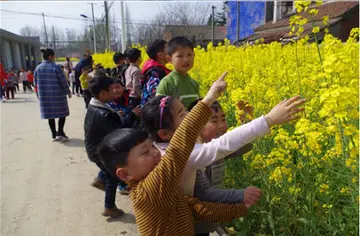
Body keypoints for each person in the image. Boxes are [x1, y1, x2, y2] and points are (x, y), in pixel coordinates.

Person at [97, 74, 253, 235]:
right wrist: (208, 99)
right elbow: (177, 151)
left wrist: (240, 208)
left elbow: (196, 208)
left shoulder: (168, 187)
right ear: (124, 174)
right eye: (145, 152)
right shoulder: (146, 193)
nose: (157, 153)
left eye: (152, 147)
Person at [84, 74, 135, 218]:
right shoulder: (103, 113)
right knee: (113, 176)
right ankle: (109, 207)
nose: (115, 92)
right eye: (111, 90)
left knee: (108, 172)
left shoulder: (95, 105)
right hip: (99, 151)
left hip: (94, 148)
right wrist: (131, 115)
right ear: (103, 93)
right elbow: (118, 131)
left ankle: (100, 179)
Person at [34, 48, 72, 142]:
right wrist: (68, 91)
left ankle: (54, 134)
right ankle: (61, 132)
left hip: (45, 96)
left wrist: (38, 95)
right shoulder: (55, 67)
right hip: (58, 96)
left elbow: (35, 84)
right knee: (62, 114)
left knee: (50, 116)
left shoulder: (38, 68)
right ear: (50, 56)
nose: (54, 58)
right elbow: (63, 81)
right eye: (54, 56)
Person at [156, 36, 200, 109]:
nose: (186, 60)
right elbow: (159, 113)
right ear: (169, 59)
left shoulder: (194, 84)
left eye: (189, 55)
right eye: (180, 56)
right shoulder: (167, 83)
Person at [140, 39, 171, 106]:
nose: (172, 50)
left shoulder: (158, 69)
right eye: (168, 48)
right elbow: (155, 93)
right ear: (160, 55)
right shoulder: (155, 72)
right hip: (153, 112)